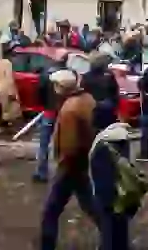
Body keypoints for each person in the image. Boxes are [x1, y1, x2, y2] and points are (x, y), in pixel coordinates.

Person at [39, 69, 103, 250]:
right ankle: (112, 235)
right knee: (90, 205)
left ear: (60, 88)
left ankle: (46, 245)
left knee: (51, 211)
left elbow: (70, 146)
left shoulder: (69, 109)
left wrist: (62, 165)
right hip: (83, 163)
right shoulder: (87, 99)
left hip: (71, 167)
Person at [89, 102, 136, 250]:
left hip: (110, 199)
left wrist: (104, 202)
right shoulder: (120, 136)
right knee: (121, 233)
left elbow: (106, 177)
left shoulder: (105, 143)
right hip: (123, 195)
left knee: (109, 234)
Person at [33, 64, 61, 183]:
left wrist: (44, 105)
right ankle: (61, 174)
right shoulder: (68, 77)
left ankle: (42, 172)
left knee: (43, 144)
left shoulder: (45, 77)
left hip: (49, 113)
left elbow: (40, 95)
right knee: (62, 144)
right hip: (62, 114)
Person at [0, 45, 22, 131]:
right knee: (9, 108)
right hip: (6, 87)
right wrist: (12, 92)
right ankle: (0, 125)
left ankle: (0, 125)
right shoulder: (8, 64)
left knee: (3, 108)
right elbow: (9, 78)